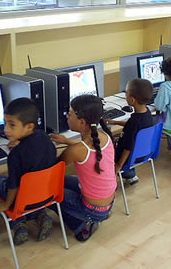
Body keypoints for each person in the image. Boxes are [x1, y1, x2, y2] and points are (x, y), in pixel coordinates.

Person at [0, 98, 57, 245]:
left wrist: (5, 205)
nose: (5, 129)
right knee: (27, 183)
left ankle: (18, 223)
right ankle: (41, 216)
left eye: (12, 125)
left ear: (29, 126)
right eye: (5, 123)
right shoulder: (44, 137)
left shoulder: (15, 155)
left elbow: (13, 186)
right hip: (47, 196)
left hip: (24, 202)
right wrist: (21, 141)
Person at [50, 95, 116, 242]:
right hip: (109, 201)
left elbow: (53, 169)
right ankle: (98, 214)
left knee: (49, 192)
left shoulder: (77, 150)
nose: (67, 115)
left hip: (94, 210)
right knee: (64, 181)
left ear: (81, 122)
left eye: (70, 113)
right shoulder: (103, 136)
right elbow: (85, 150)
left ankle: (82, 226)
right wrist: (67, 141)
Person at [106, 78, 154, 185]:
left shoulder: (133, 122)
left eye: (126, 93)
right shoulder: (147, 114)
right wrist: (115, 122)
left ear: (132, 100)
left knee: (104, 148)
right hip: (142, 154)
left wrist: (119, 165)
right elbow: (133, 127)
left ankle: (110, 179)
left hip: (127, 157)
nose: (125, 95)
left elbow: (128, 148)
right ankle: (131, 175)